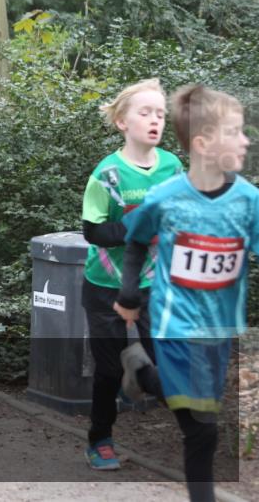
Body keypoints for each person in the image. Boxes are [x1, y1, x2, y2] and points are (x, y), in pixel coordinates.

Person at [116, 84, 258, 502]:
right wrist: (129, 294)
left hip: (219, 329)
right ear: (202, 144)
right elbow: (135, 241)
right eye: (234, 132)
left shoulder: (249, 200)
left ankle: (142, 373)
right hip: (173, 323)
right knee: (201, 429)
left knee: (199, 414)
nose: (245, 141)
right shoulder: (165, 198)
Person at [79, 78, 183, 470]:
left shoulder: (172, 167)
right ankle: (100, 440)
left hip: (153, 285)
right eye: (146, 112)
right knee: (107, 371)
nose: (156, 120)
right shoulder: (106, 175)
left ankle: (139, 377)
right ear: (123, 122)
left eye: (161, 114)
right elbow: (93, 233)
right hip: (106, 287)